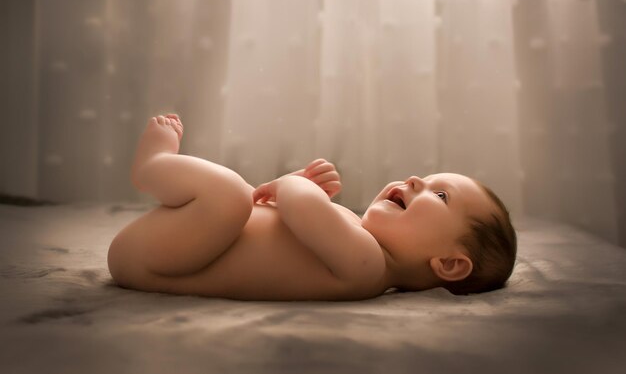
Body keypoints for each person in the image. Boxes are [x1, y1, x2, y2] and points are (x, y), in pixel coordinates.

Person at [107, 114, 516, 300]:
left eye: (440, 195)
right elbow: (287, 208)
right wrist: (294, 188)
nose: (414, 180)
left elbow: (300, 207)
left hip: (161, 259)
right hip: (179, 245)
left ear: (449, 263)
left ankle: (152, 167)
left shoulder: (368, 267)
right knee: (239, 198)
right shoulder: (358, 239)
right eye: (427, 176)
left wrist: (296, 185)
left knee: (232, 195)